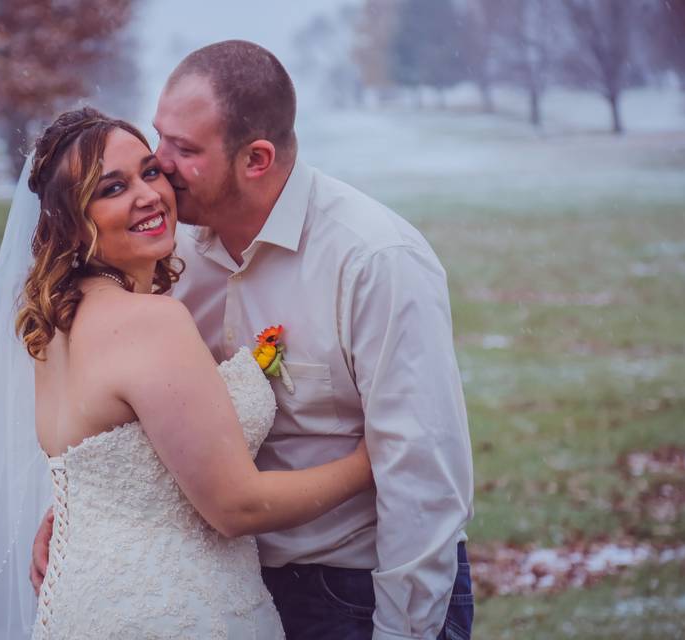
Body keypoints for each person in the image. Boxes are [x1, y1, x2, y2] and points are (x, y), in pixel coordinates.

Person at [31, 41, 476, 640]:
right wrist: (91, 508)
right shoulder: (165, 253)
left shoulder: (373, 260)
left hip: (355, 589)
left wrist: (404, 629)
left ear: (256, 159)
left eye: (182, 150)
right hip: (218, 593)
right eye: (159, 137)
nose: (159, 164)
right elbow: (147, 421)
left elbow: (425, 477)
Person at [0, 107, 375, 639]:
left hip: (82, 605)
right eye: (111, 188)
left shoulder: (53, 325)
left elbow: (112, 467)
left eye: (150, 172)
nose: (148, 194)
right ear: (69, 219)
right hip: (174, 611)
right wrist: (370, 461)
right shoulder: (149, 322)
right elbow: (236, 507)